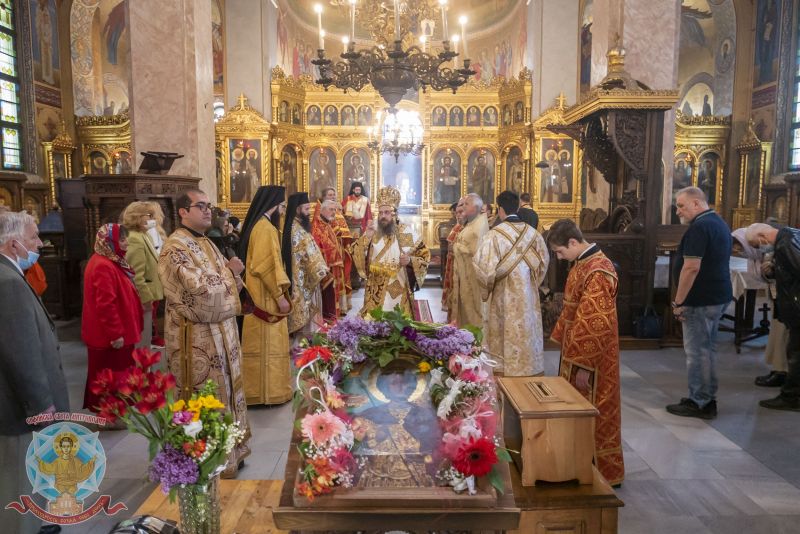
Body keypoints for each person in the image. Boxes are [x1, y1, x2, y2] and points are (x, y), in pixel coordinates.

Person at [158, 189, 250, 475]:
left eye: (209, 206)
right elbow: (202, 294)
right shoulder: (175, 248)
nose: (208, 211)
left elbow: (226, 286)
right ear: (183, 211)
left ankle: (232, 449)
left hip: (220, 334)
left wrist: (232, 275)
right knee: (205, 395)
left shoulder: (207, 242)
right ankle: (207, 458)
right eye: (201, 206)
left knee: (227, 390)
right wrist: (231, 273)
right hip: (196, 338)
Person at [0, 211, 69, 534]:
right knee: (19, 485)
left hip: (19, 406)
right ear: (14, 244)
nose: (39, 243)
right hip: (18, 409)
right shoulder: (8, 283)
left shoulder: (10, 275)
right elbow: (21, 353)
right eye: (33, 237)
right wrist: (42, 405)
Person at [547, 219, 624, 486]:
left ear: (573, 242)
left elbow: (595, 322)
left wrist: (582, 365)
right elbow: (572, 309)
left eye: (559, 251)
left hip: (594, 359)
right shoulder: (582, 263)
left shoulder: (598, 270)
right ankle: (578, 461)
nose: (559, 257)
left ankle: (602, 471)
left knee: (597, 407)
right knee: (577, 407)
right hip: (577, 350)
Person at [666, 187, 732, 419]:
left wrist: (679, 301)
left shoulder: (700, 227)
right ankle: (704, 396)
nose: (678, 211)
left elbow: (691, 267)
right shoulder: (718, 222)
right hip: (717, 296)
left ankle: (701, 402)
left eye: (681, 205)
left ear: (696, 203)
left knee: (698, 352)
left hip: (701, 300)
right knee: (707, 349)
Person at [473, 191, 549, 376]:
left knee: (503, 329)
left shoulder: (494, 235)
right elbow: (543, 263)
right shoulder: (534, 234)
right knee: (526, 328)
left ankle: (503, 370)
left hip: (503, 296)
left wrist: (488, 288)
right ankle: (528, 367)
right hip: (528, 296)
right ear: (517, 207)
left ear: (500, 210)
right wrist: (531, 285)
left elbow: (483, 268)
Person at [238, 186, 292, 405]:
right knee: (267, 345)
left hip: (257, 292)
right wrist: (280, 296)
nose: (282, 211)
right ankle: (267, 393)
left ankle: (260, 392)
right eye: (282, 206)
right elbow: (266, 265)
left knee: (259, 344)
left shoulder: (257, 225)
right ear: (275, 206)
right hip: (265, 296)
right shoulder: (266, 228)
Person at [82, 223, 143, 412]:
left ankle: (114, 413)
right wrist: (116, 334)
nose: (126, 243)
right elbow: (106, 305)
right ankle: (108, 416)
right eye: (121, 239)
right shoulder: (103, 265)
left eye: (125, 239)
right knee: (110, 379)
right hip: (110, 337)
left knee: (114, 376)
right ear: (109, 241)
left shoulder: (110, 261)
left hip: (116, 333)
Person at [746, 223, 800, 411]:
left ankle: (792, 397)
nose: (759, 248)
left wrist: (776, 267)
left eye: (756, 244)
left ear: (763, 236)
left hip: (796, 305)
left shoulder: (784, 243)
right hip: (793, 303)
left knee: (796, 353)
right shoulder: (792, 235)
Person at [351, 187, 430, 316]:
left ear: (395, 213)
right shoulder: (373, 232)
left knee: (397, 322)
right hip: (374, 289)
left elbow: (424, 256)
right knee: (374, 324)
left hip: (398, 287)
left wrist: (410, 261)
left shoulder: (406, 233)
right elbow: (355, 252)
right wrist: (366, 237)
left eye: (387, 212)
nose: (383, 216)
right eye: (380, 212)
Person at [283, 192, 329, 340]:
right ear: (297, 209)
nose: (309, 213)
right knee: (307, 311)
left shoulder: (295, 226)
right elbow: (309, 253)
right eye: (306, 209)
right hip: (304, 278)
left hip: (302, 276)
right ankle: (305, 342)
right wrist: (322, 270)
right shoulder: (297, 230)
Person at [122, 202, 164, 350]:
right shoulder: (134, 238)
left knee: (147, 335)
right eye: (149, 215)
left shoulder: (143, 235)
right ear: (137, 217)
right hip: (145, 295)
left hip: (152, 292)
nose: (152, 219)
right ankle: (142, 368)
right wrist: (144, 298)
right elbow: (135, 273)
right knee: (143, 338)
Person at [451, 193, 489, 328]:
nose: (463, 207)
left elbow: (479, 252)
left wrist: (458, 247)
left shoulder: (480, 225)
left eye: (467, 204)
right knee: (465, 306)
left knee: (473, 307)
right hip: (465, 274)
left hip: (473, 277)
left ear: (476, 207)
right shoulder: (471, 223)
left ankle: (474, 339)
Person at [312, 199, 346, 321]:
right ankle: (328, 320)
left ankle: (333, 318)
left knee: (333, 293)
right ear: (323, 210)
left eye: (334, 210)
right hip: (326, 268)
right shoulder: (317, 226)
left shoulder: (326, 224)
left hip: (333, 265)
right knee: (327, 296)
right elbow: (318, 246)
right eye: (331, 210)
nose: (334, 212)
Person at [146, 201, 167, 347]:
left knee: (153, 308)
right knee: (151, 310)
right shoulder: (149, 229)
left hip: (156, 273)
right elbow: (155, 252)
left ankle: (153, 336)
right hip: (152, 274)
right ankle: (152, 337)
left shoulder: (153, 228)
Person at [442, 199, 465, 317]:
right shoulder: (457, 226)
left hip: (461, 267)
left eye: (461, 212)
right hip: (451, 264)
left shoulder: (467, 228)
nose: (458, 215)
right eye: (457, 213)